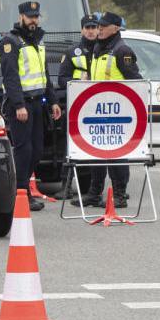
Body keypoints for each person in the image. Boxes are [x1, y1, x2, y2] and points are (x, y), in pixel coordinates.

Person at [0, 1, 61, 212]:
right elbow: (11, 77)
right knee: (24, 150)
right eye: (30, 16)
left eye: (36, 16)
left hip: (37, 104)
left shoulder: (38, 41)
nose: (34, 20)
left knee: (37, 150)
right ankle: (20, 192)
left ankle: (21, 188)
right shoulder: (11, 41)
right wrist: (18, 105)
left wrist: (53, 102)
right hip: (20, 105)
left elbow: (45, 75)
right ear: (21, 16)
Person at [85, 12, 142, 208]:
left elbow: (135, 82)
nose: (99, 28)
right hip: (98, 110)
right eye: (99, 25)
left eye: (104, 25)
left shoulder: (122, 50)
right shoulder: (98, 48)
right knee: (96, 153)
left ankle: (119, 194)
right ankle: (94, 193)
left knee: (117, 154)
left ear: (116, 28)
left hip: (117, 112)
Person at [60, 14, 100, 206]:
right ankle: (65, 187)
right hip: (78, 107)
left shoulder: (104, 49)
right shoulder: (72, 51)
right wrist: (78, 83)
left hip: (99, 107)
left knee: (97, 148)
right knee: (71, 147)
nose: (91, 30)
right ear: (82, 30)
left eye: (94, 27)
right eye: (87, 27)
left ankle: (95, 188)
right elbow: (61, 80)